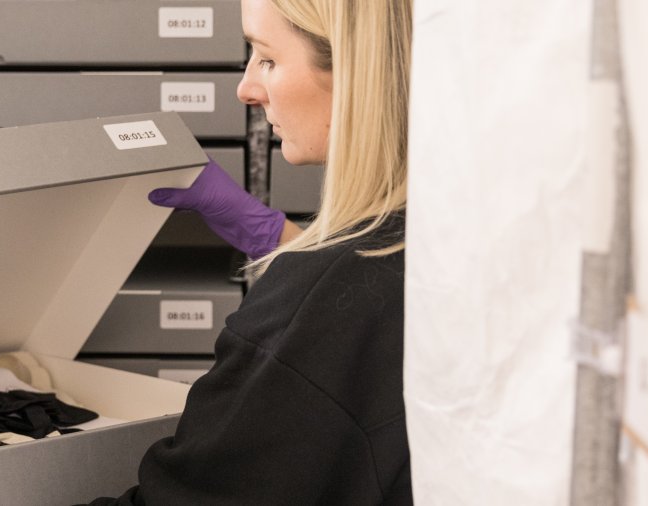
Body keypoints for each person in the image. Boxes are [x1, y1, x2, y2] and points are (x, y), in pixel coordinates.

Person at [89, 0, 411, 503]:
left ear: (354, 71)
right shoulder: (457, 233)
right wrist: (275, 237)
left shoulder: (317, 314)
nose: (245, 90)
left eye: (267, 59)